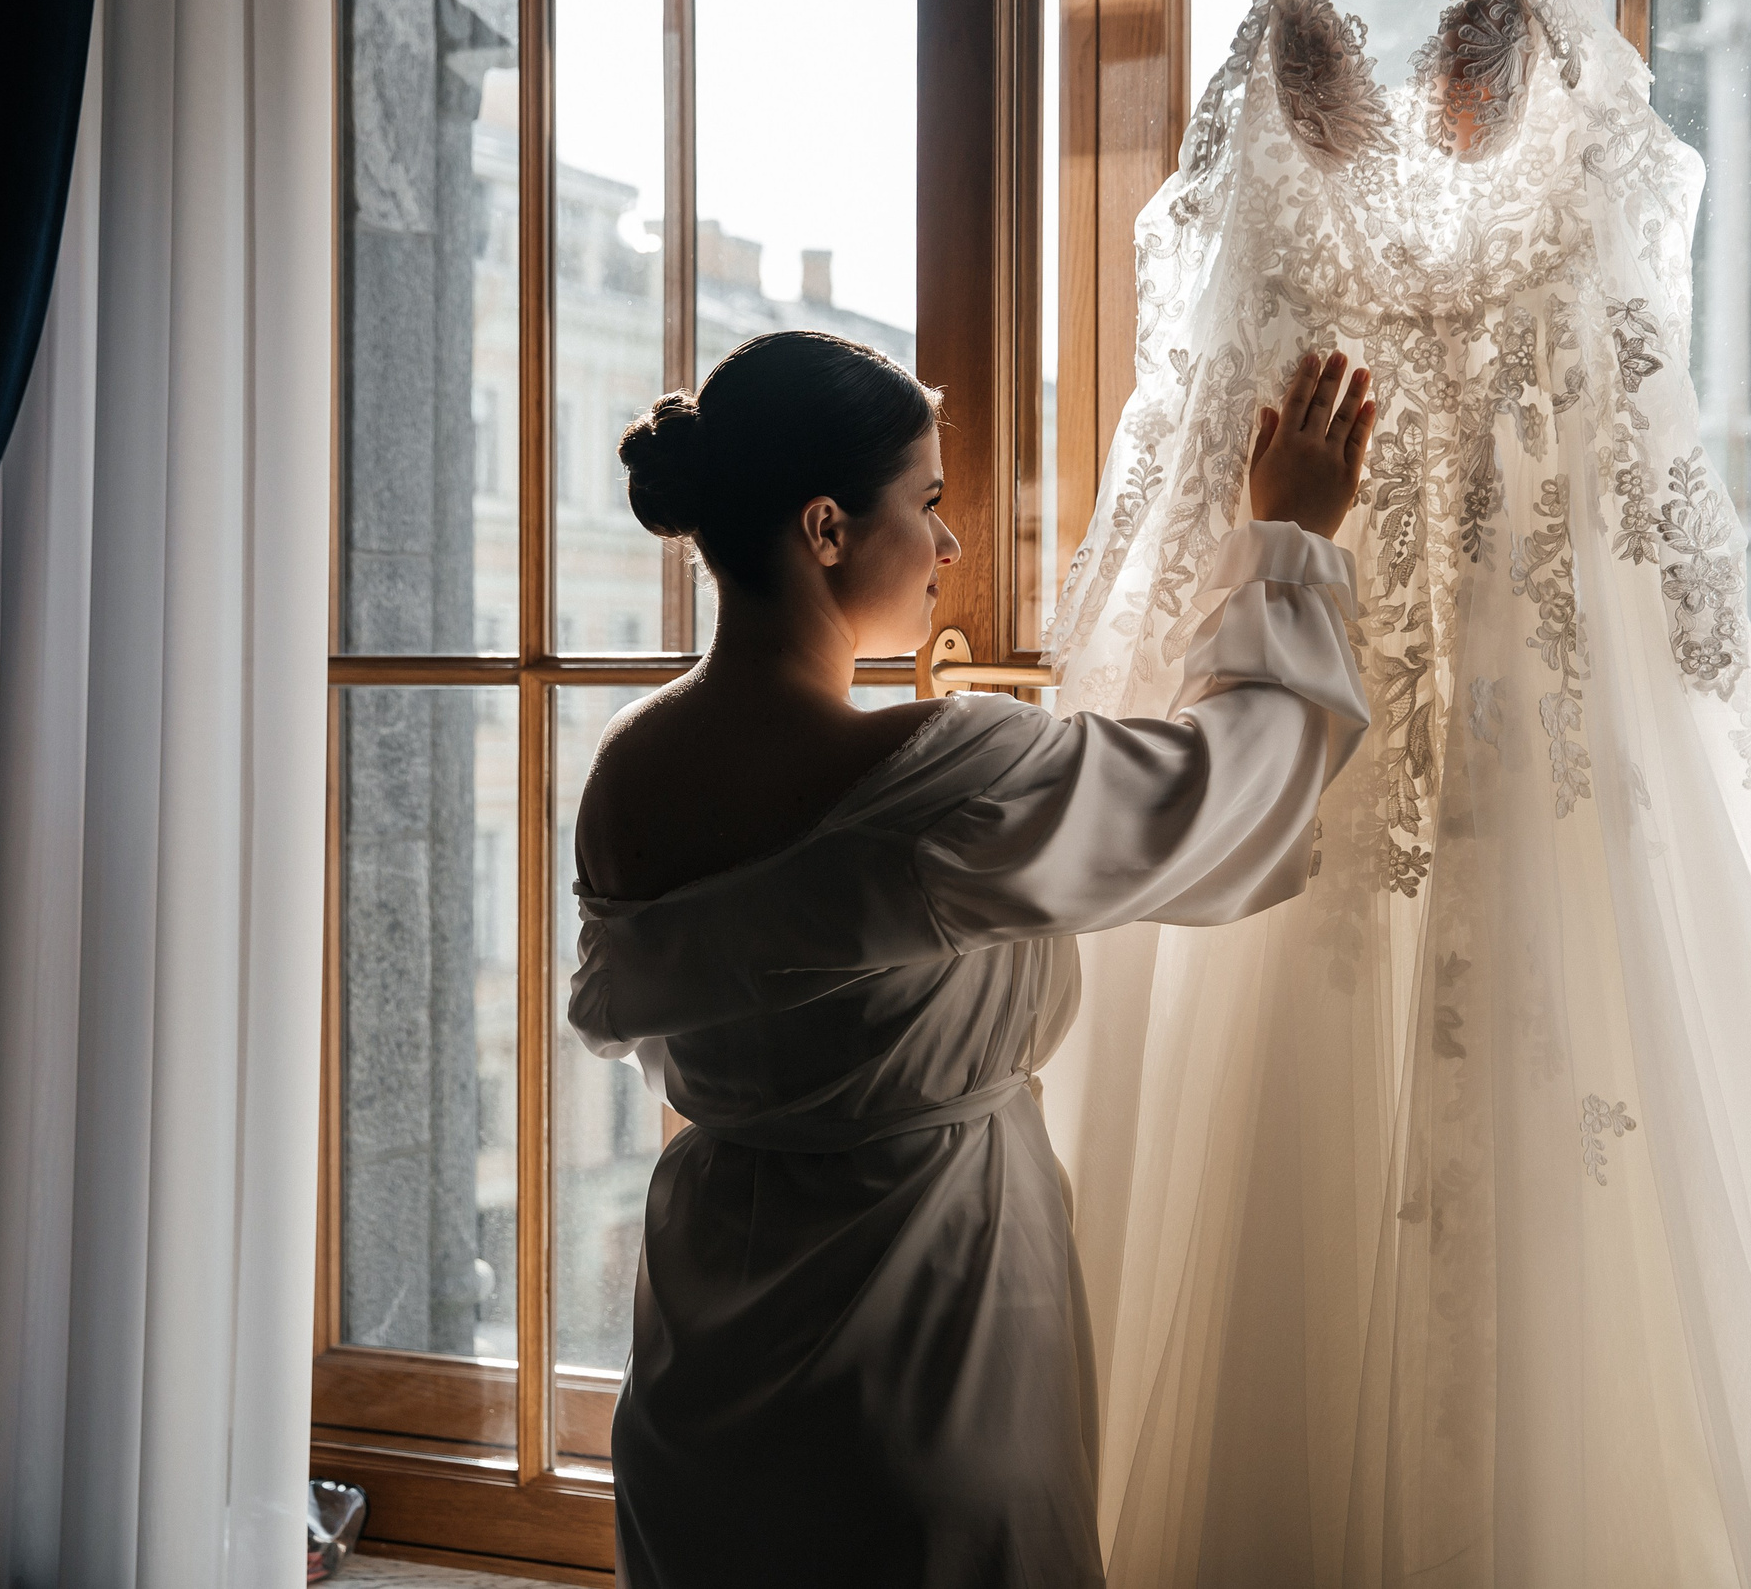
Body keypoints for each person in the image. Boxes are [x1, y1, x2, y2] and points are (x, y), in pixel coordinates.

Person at [568, 328, 1375, 1587]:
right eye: (928, 505)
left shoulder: (627, 768)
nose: (950, 549)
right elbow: (1240, 797)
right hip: (926, 1329)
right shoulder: (942, 782)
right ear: (826, 528)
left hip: (706, 1349)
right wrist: (1291, 539)